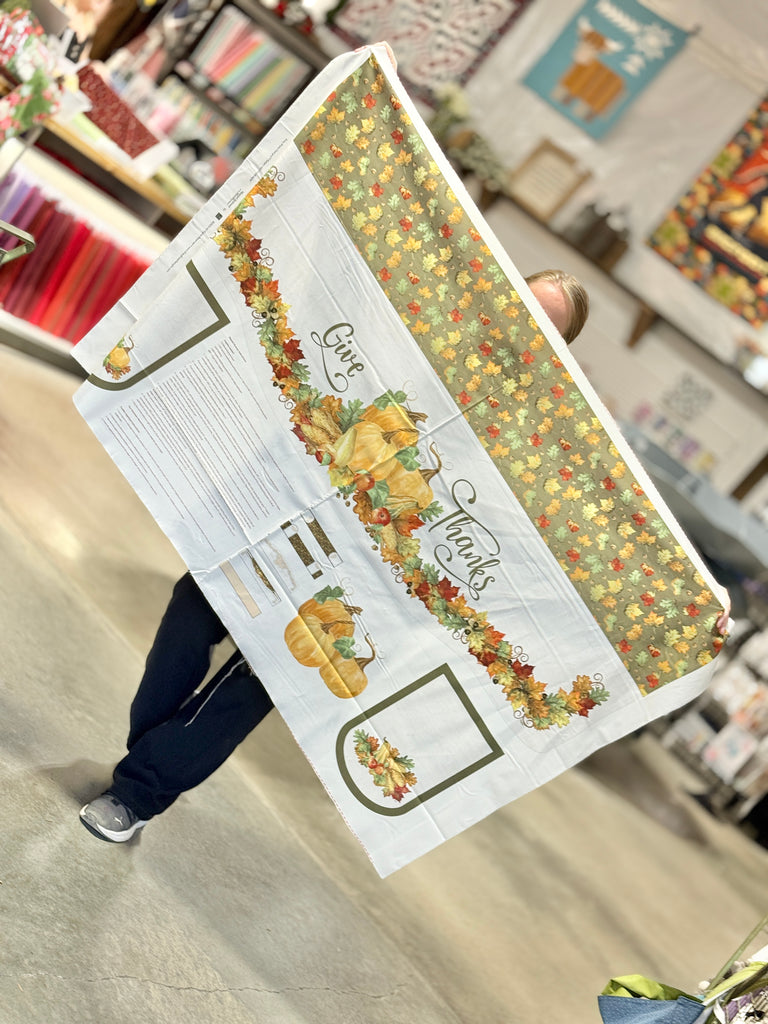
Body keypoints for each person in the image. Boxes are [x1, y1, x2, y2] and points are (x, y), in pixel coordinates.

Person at [78, 270, 729, 842]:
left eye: (544, 324)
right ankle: (151, 751)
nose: (521, 323)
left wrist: (694, 610)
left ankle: (137, 793)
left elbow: (596, 526)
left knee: (260, 675)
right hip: (294, 514)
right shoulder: (422, 331)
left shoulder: (541, 428)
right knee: (193, 605)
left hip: (369, 568)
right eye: (520, 302)